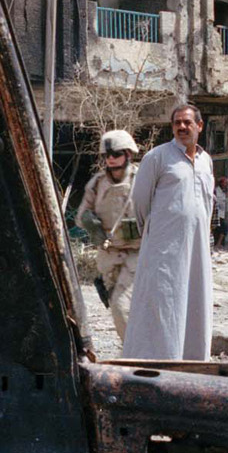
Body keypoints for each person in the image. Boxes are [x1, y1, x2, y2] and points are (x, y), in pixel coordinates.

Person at [123, 103, 216, 360]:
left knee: (195, 296)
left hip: (197, 246)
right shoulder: (157, 157)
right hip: (164, 246)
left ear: (199, 126)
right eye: (177, 123)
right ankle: (156, 358)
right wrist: (157, 233)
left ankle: (193, 359)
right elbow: (140, 202)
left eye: (187, 122)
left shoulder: (206, 161)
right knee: (162, 298)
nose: (182, 127)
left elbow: (207, 203)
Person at [72, 129, 144, 341]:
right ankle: (133, 349)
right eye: (107, 155)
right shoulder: (97, 183)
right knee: (117, 308)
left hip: (138, 255)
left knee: (123, 308)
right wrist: (91, 224)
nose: (111, 159)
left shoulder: (142, 179)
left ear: (128, 154)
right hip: (109, 257)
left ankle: (134, 352)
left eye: (116, 154)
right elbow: (81, 217)